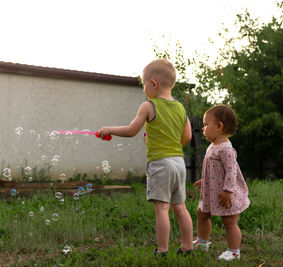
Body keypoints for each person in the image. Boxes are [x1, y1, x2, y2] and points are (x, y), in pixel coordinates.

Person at [98, 59, 194, 256]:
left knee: (162, 209)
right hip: (178, 162)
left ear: (154, 84)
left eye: (143, 84)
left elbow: (132, 130)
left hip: (161, 163)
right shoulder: (180, 108)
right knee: (181, 208)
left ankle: (163, 250)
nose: (143, 89)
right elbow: (187, 137)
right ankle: (187, 247)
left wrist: (109, 129)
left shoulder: (148, 106)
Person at [193, 104, 250, 261]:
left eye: (206, 124)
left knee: (229, 222)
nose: (203, 129)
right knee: (202, 214)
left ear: (218, 126)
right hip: (212, 192)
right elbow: (216, 171)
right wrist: (205, 180)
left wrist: (228, 191)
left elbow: (231, 172)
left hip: (227, 193)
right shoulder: (213, 146)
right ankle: (203, 242)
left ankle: (233, 251)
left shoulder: (226, 149)